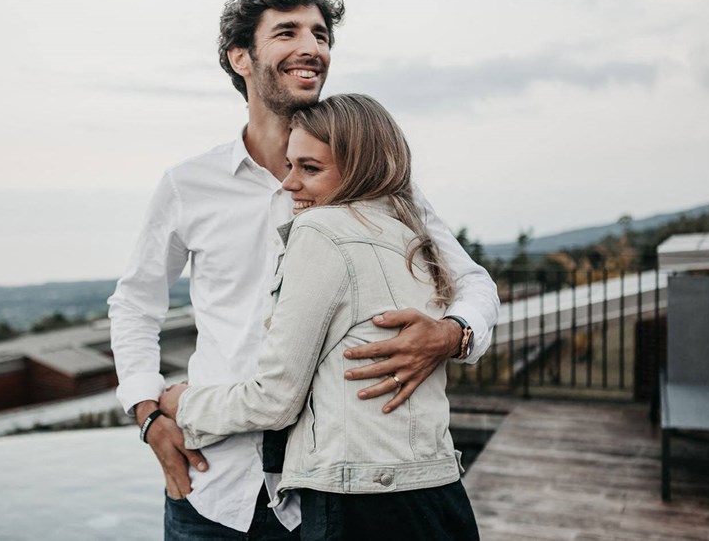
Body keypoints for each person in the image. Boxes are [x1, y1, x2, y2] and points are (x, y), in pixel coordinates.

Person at [108, 0, 499, 539]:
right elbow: (135, 305)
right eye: (287, 32)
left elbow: (472, 281)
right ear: (240, 57)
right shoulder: (188, 184)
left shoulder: (378, 185)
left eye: (320, 34)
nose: (312, 47)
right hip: (213, 486)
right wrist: (147, 415)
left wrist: (454, 334)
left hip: (333, 497)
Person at [158, 93, 480, 540]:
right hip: (438, 490)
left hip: (360, 503)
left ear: (362, 168)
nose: (289, 184)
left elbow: (275, 398)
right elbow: (475, 283)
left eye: (310, 169)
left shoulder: (320, 230)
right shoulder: (411, 234)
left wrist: (182, 404)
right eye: (291, 166)